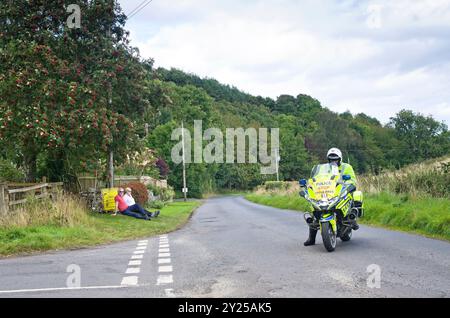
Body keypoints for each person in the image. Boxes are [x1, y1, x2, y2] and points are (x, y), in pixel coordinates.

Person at [304, 147, 358, 246]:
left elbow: (352, 180)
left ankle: (352, 219)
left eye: (335, 159)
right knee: (314, 211)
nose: (333, 161)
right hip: (328, 192)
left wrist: (349, 184)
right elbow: (316, 179)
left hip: (341, 190)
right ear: (328, 159)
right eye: (331, 159)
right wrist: (311, 186)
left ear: (340, 159)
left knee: (353, 197)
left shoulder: (347, 167)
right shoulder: (324, 169)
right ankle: (311, 239)